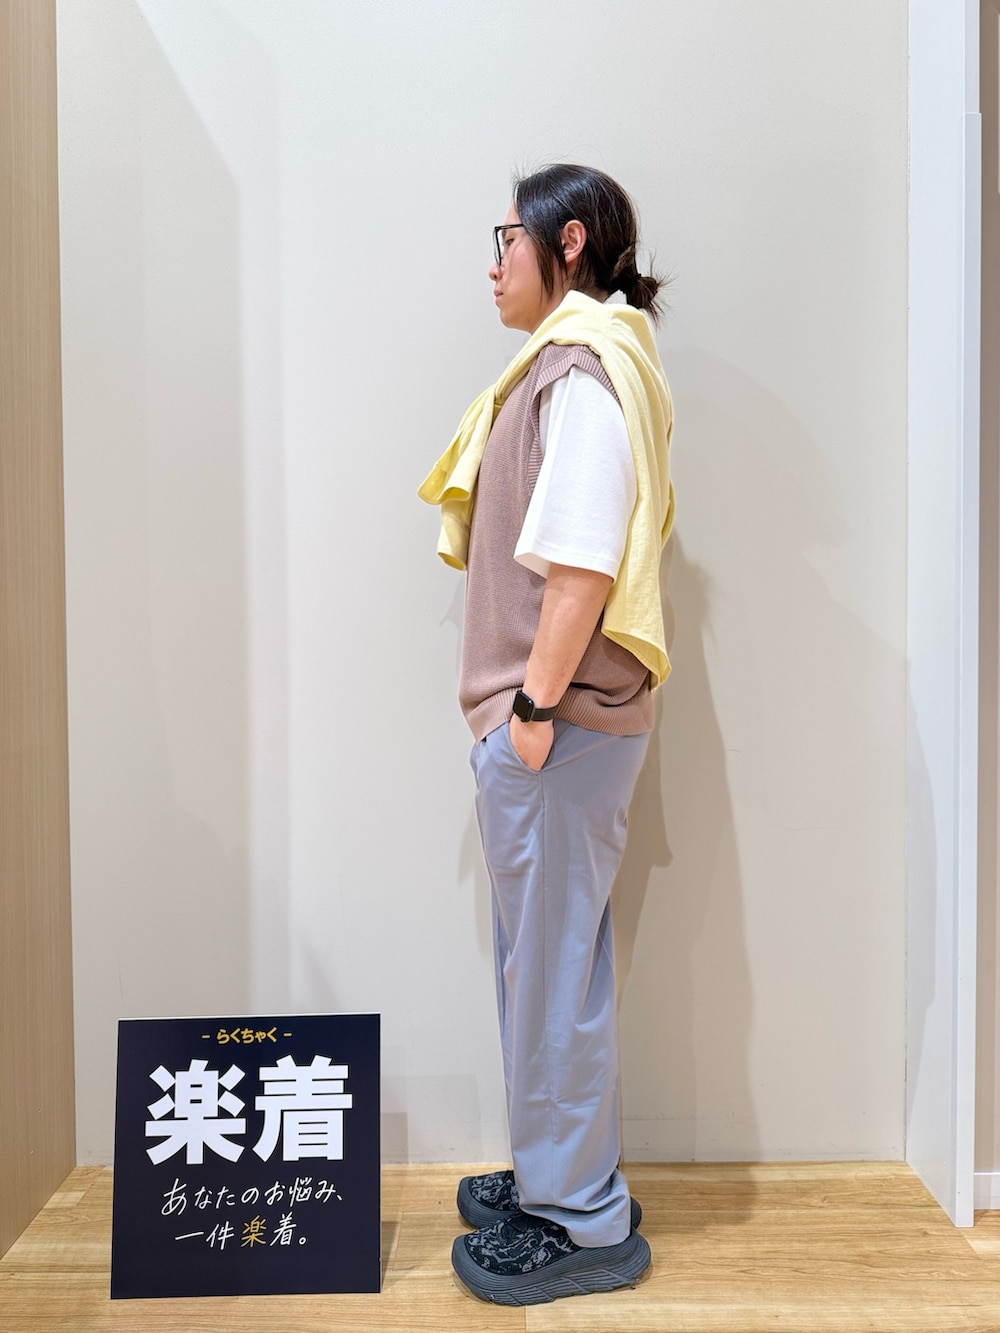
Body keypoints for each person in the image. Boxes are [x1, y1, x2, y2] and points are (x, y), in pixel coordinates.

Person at [419, 163, 675, 1307]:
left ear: (565, 243)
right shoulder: (574, 365)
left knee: (553, 974)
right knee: (546, 970)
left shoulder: (580, 372)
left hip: (559, 726)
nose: (491, 268)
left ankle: (581, 1220)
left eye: (504, 243)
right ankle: (554, 1179)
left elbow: (581, 566)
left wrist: (528, 712)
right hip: (558, 729)